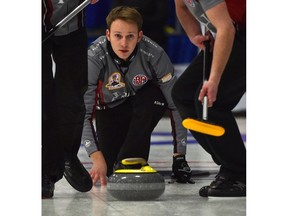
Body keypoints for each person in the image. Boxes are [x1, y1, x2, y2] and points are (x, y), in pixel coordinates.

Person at [81, 6, 194, 186]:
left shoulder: (155, 54)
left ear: (139, 36)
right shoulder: (94, 56)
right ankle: (125, 158)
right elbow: (83, 113)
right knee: (109, 169)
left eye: (130, 36)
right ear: (108, 35)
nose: (124, 43)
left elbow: (175, 105)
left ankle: (131, 158)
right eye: (118, 36)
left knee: (155, 96)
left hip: (142, 109)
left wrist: (179, 156)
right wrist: (96, 157)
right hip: (110, 111)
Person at [172, 0, 246, 197]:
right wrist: (194, 34)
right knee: (184, 95)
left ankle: (239, 174)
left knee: (211, 102)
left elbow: (226, 29)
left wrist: (213, 81)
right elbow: (182, 7)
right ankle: (228, 162)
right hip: (232, 32)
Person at [42, 0, 99, 199]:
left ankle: (67, 153)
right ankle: (45, 172)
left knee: (73, 97)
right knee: (42, 102)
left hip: (72, 22)